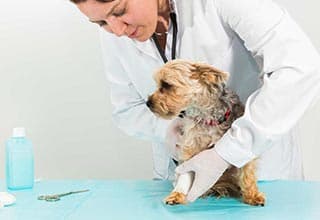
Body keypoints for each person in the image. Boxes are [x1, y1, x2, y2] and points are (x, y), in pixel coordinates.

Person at [70, 0, 320, 202]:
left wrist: (227, 152)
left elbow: (299, 67)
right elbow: (127, 110)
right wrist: (172, 132)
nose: (116, 30)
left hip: (260, 174)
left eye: (120, 11)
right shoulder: (115, 34)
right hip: (184, 179)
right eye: (100, 22)